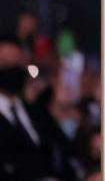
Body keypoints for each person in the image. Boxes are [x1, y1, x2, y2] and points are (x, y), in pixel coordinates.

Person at [0, 33, 76, 181]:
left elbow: (67, 152)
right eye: (5, 64)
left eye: (18, 64)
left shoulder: (37, 112)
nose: (13, 71)